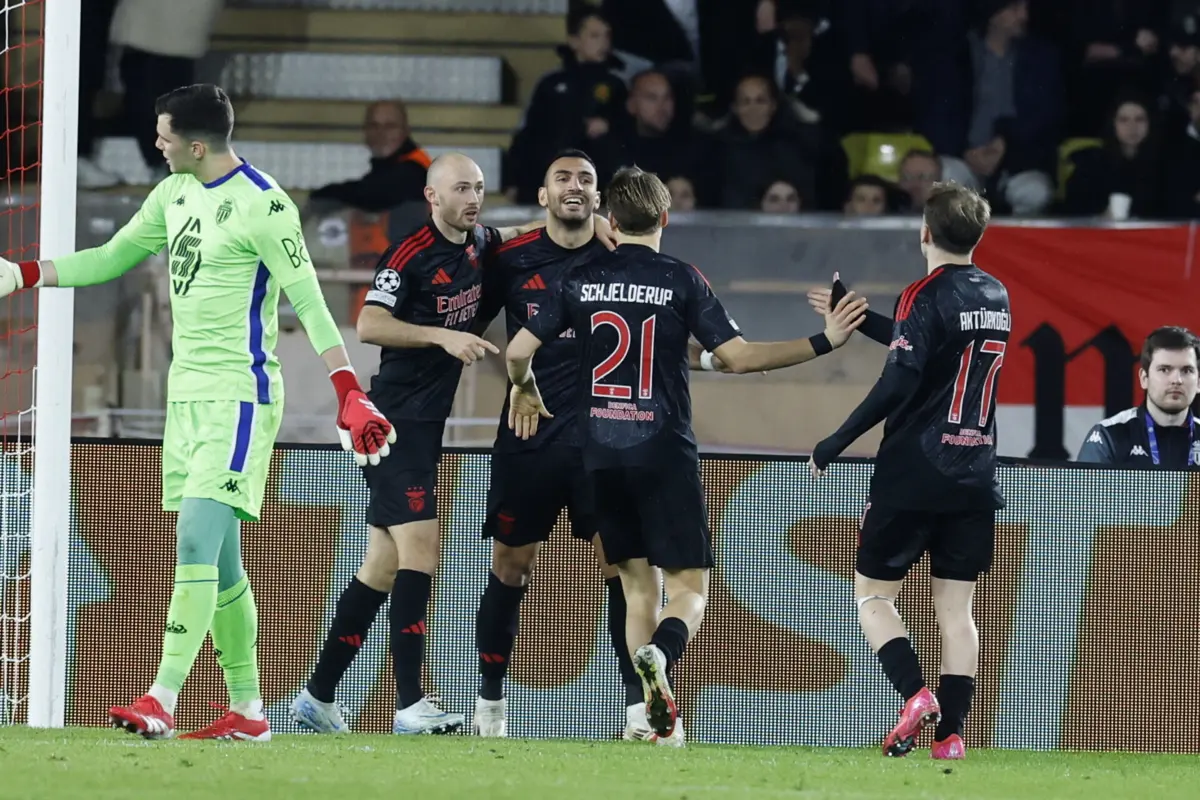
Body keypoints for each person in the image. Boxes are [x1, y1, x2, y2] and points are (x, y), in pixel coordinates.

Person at [0, 84, 395, 741]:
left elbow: (311, 300)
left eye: (163, 136)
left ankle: (162, 696)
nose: (155, 144)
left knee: (192, 538)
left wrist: (348, 390)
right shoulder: (172, 194)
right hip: (184, 401)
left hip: (240, 400)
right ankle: (249, 709)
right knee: (223, 560)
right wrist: (26, 273)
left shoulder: (264, 206)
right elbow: (109, 258)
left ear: (197, 143)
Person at [505, 166, 868, 746]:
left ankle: (645, 722)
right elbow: (741, 358)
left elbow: (518, 350)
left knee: (635, 587)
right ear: (665, 219)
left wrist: (525, 387)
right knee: (690, 588)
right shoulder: (682, 280)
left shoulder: (579, 278)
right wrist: (826, 339)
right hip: (663, 450)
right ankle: (662, 658)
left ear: (612, 222)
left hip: (598, 450)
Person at [289, 154, 617, 736]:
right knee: (422, 553)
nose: (473, 197)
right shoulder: (410, 253)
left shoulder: (478, 243)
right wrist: (442, 335)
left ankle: (316, 697)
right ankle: (411, 705)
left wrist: (600, 227)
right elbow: (369, 324)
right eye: (461, 188)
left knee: (380, 568)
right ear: (431, 195)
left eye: (480, 188)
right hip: (393, 421)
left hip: (424, 423)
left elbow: (514, 233)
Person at [809, 181, 1010, 761]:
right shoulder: (997, 294)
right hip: (974, 472)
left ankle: (915, 694)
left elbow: (900, 377)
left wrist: (837, 440)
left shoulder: (921, 293)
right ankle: (951, 738)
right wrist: (864, 316)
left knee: (871, 593)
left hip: (913, 470)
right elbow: (928, 343)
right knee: (958, 608)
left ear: (924, 232)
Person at [1077, 327, 1200, 467]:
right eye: (1164, 370)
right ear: (1144, 378)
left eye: (1187, 370)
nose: (1177, 380)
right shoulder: (1109, 435)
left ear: (1199, 382)